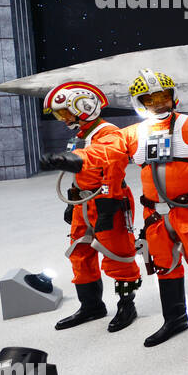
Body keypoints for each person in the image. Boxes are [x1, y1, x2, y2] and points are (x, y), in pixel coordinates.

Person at [113, 69, 188, 346]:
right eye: (150, 99)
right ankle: (175, 319)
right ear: (139, 103)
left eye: (164, 96)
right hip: (155, 213)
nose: (158, 103)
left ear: (173, 97)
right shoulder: (131, 135)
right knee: (165, 265)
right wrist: (74, 161)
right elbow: (104, 155)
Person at [38, 81, 143, 333]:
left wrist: (108, 203)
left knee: (118, 254)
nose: (63, 118)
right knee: (80, 252)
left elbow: (109, 161)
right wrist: (73, 197)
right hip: (84, 201)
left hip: (109, 199)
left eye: (66, 112)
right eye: (59, 114)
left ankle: (126, 305)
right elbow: (82, 171)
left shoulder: (109, 134)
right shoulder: (83, 135)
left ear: (83, 108)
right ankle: (91, 306)